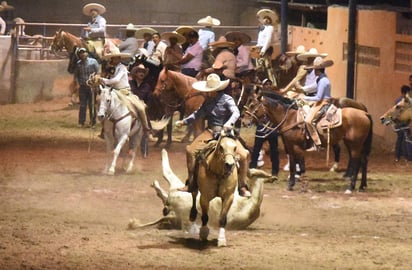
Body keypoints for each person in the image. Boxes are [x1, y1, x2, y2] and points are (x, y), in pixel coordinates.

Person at [175, 73, 251, 197]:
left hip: (226, 133)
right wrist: (183, 122)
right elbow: (197, 114)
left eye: (210, 90)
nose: (208, 92)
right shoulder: (207, 102)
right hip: (210, 132)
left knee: (243, 155)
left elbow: (236, 113)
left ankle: (242, 186)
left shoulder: (227, 99)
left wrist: (228, 124)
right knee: (190, 151)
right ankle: (191, 183)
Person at [99, 47, 151, 133]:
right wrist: (99, 80)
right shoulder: (111, 69)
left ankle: (145, 126)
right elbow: (109, 80)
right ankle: (105, 128)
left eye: (117, 58)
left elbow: (116, 80)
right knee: (103, 104)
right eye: (114, 58)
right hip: (114, 91)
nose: (116, 59)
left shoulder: (122, 67)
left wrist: (102, 80)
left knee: (141, 107)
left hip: (124, 92)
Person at [299, 56, 334, 151]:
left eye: (314, 69)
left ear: (317, 70)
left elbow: (318, 97)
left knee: (308, 120)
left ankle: (316, 143)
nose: (313, 71)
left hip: (323, 103)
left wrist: (305, 97)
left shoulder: (323, 81)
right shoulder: (322, 79)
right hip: (321, 101)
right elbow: (314, 88)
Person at [249, 78, 279, 179]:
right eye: (266, 84)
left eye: (270, 84)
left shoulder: (275, 99)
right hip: (261, 127)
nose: (268, 86)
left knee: (274, 151)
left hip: (272, 127)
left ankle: (275, 171)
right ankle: (252, 168)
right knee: (256, 150)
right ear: (263, 86)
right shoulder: (259, 99)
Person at [73, 48, 99, 128]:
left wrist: (96, 84)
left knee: (92, 105)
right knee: (82, 105)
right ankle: (81, 122)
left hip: (92, 87)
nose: (82, 54)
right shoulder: (78, 64)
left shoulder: (93, 62)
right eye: (81, 53)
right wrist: (77, 84)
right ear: (79, 55)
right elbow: (76, 76)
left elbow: (97, 73)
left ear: (87, 53)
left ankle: (93, 122)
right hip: (83, 87)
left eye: (84, 52)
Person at [255, 9, 279, 85]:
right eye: (265, 18)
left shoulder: (270, 28)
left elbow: (268, 40)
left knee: (267, 65)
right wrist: (256, 47)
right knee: (259, 66)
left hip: (266, 49)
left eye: (268, 19)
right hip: (260, 48)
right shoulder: (262, 29)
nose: (266, 20)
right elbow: (260, 40)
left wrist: (263, 50)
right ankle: (263, 81)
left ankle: (273, 83)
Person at [394, 85, 411, 162]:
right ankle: (405, 156)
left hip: (399, 123)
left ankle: (398, 156)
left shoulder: (397, 100)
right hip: (403, 123)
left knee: (400, 139)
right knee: (404, 139)